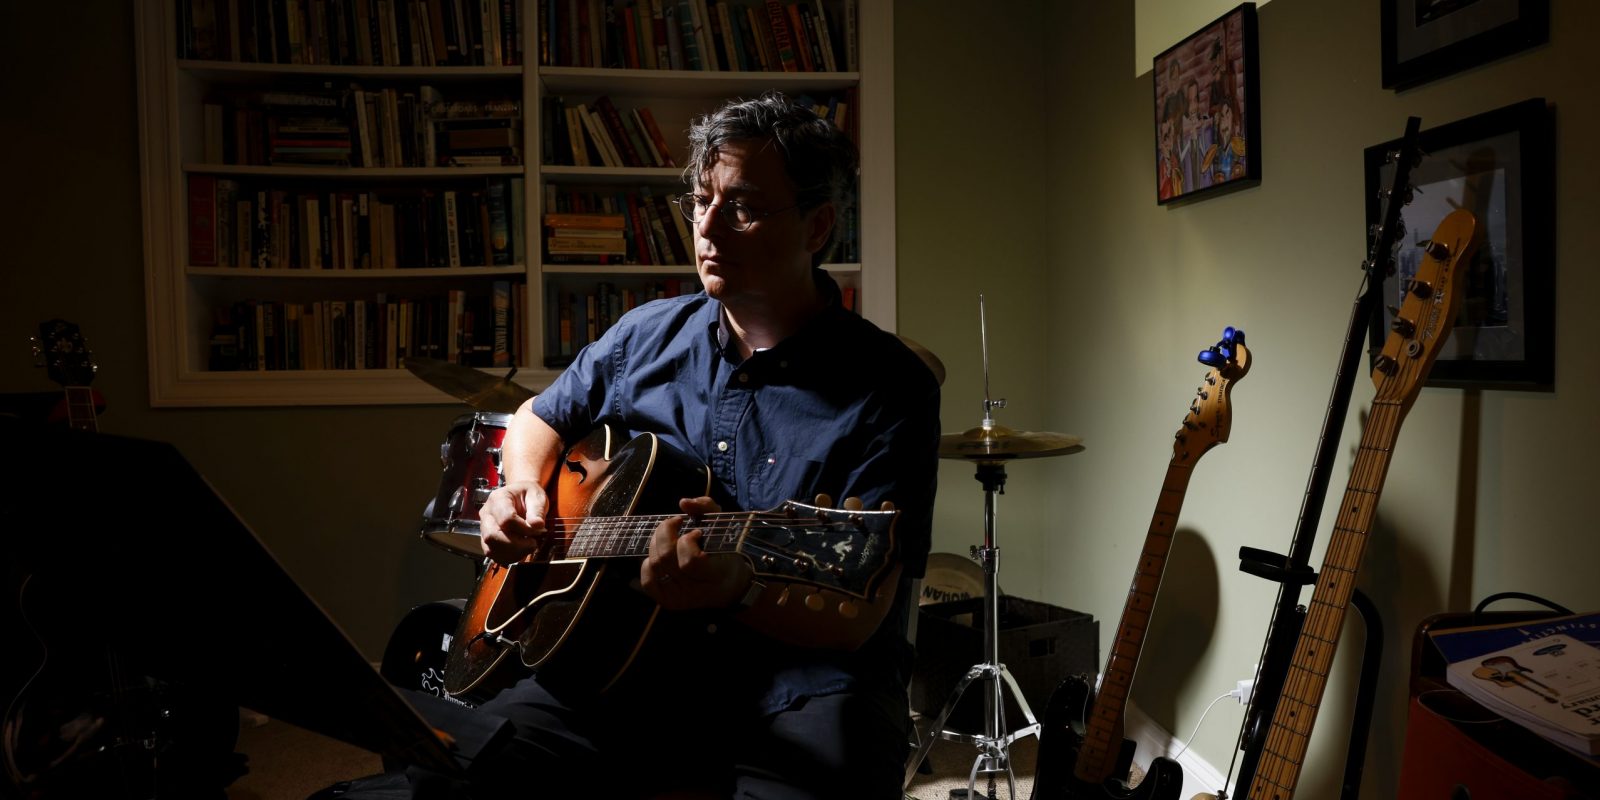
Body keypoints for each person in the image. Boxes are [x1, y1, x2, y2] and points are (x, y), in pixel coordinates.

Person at [316, 91, 940, 799]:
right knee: (429, 784)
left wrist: (737, 587)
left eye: (743, 207)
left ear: (818, 225)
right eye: (700, 199)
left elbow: (859, 611)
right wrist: (517, 487)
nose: (707, 226)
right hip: (608, 672)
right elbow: (535, 419)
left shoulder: (891, 387)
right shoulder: (647, 334)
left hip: (800, 696)